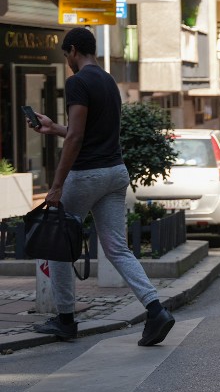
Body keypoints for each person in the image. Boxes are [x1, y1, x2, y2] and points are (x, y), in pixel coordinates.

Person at [25, 27, 175, 346]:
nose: (67, 61)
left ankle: (65, 320)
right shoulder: (109, 81)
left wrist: (56, 186)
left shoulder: (78, 82)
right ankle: (155, 309)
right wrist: (54, 129)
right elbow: (87, 131)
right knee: (117, 248)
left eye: (66, 55)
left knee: (59, 244)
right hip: (114, 173)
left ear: (74, 50)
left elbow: (79, 138)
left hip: (87, 175)